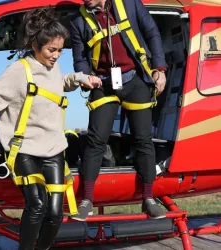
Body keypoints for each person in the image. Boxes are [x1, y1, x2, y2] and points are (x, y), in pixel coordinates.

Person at [0, 8, 99, 250]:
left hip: (54, 148)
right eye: (51, 50)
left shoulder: (52, 67)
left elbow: (59, 82)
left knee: (56, 212)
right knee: (37, 205)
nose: (57, 55)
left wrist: (79, 78)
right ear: (35, 44)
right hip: (25, 149)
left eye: (59, 50)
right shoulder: (19, 71)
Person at [69, 0, 168, 221]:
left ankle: (149, 199)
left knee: (143, 139)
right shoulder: (77, 21)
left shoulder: (130, 4)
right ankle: (87, 201)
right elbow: (79, 58)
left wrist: (159, 69)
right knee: (95, 140)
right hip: (102, 85)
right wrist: (86, 76)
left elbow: (152, 32)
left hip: (136, 80)